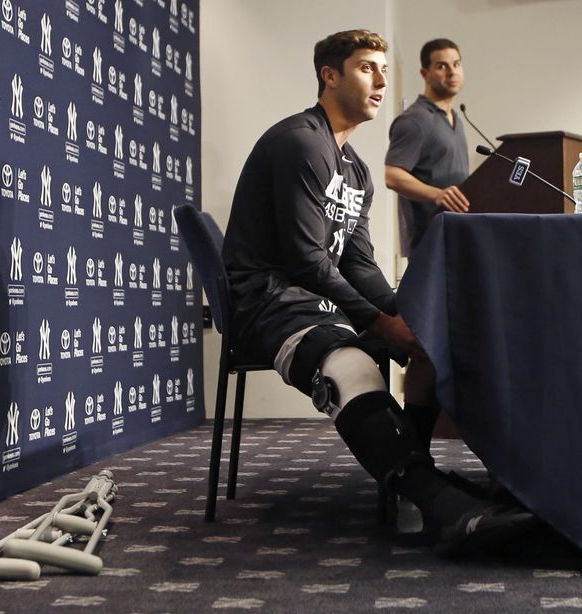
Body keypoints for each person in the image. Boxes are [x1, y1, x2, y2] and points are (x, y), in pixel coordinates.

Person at [222, 29, 533, 555]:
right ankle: (439, 504)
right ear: (330, 75)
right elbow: (306, 261)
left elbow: (357, 262)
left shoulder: (357, 170)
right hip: (268, 302)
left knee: (432, 337)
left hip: (314, 298)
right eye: (367, 68)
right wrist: (377, 322)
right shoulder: (301, 143)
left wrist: (410, 315)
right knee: (350, 367)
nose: (381, 81)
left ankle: (427, 484)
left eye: (385, 70)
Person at [385, 38, 470, 259]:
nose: (452, 72)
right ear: (425, 73)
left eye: (456, 64)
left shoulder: (456, 119)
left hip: (458, 235)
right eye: (442, 66)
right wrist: (437, 195)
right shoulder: (415, 120)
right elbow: (392, 175)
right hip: (429, 241)